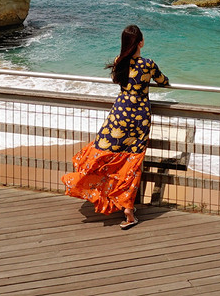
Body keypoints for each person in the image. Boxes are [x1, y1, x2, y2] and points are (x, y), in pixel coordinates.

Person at [61, 24, 169, 229]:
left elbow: (115, 80)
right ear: (141, 43)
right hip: (140, 119)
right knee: (132, 161)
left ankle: (89, 184)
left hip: (119, 115)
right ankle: (127, 208)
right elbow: (163, 81)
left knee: (103, 152)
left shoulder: (120, 62)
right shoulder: (148, 64)